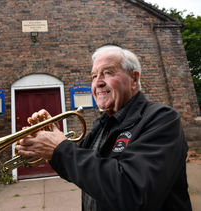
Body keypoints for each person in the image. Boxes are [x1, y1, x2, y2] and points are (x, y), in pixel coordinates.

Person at [16, 45, 192, 211]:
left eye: (107, 73)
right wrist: (48, 148)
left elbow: (133, 194)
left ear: (134, 78)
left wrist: (60, 149)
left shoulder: (162, 119)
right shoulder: (103, 123)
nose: (98, 83)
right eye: (94, 76)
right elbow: (82, 171)